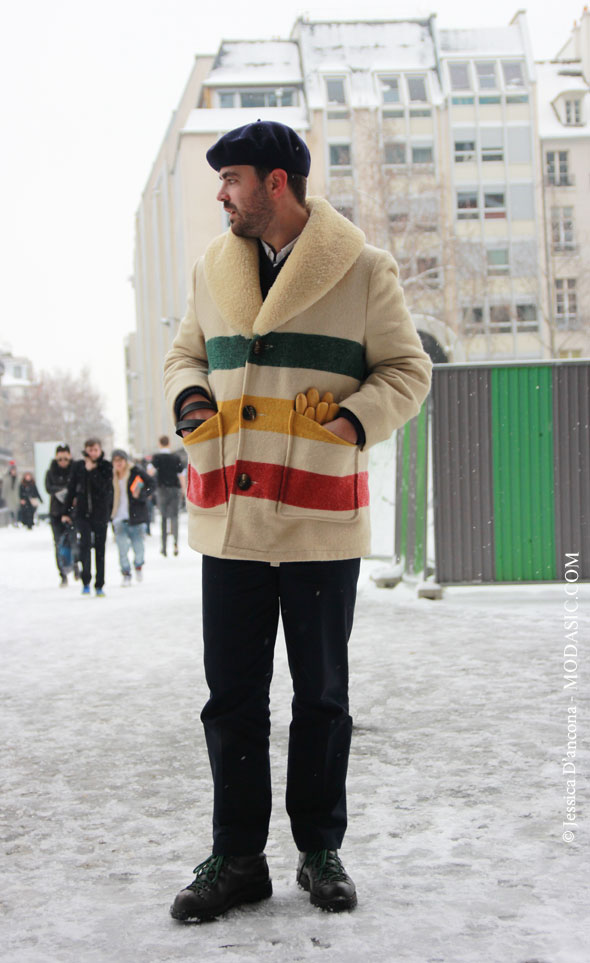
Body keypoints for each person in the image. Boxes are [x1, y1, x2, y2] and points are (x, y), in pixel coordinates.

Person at [163, 120, 432, 922]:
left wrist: (354, 420)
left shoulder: (362, 267)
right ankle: (239, 857)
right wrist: (189, 397)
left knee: (321, 693)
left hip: (316, 516)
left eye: (233, 178)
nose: (222, 193)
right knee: (232, 696)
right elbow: (184, 354)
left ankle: (320, 849)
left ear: (277, 183)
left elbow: (407, 369)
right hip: (233, 520)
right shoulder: (213, 268)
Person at [62, 438, 112, 597]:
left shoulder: (106, 466)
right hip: (82, 514)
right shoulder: (78, 466)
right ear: (85, 450)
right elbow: (71, 489)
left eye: (95, 450)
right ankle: (85, 581)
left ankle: (99, 584)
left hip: (100, 514)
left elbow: (105, 488)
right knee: (84, 546)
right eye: (90, 450)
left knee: (100, 549)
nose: (93, 453)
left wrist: (93, 471)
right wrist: (66, 511)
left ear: (100, 450)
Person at [111, 449, 153, 586]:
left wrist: (141, 496)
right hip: (118, 517)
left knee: (138, 548)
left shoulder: (135, 471)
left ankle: (138, 566)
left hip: (136, 516)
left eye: (120, 460)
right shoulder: (111, 476)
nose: (118, 463)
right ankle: (126, 573)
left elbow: (152, 484)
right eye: (115, 461)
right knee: (122, 549)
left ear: (125, 460)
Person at [45, 444, 75, 586]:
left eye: (65, 458)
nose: (63, 462)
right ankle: (63, 573)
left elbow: (77, 486)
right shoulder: (51, 470)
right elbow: (48, 487)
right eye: (60, 459)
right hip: (56, 512)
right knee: (58, 543)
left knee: (75, 541)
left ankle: (76, 565)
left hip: (73, 511)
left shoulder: (75, 469)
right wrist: (64, 489)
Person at [151, 436, 183, 557]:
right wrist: (184, 489)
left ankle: (164, 547)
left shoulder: (157, 458)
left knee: (163, 518)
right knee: (174, 517)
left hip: (162, 489)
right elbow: (181, 474)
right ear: (169, 443)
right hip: (175, 488)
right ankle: (175, 543)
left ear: (160, 444)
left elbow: (151, 472)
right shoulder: (175, 457)